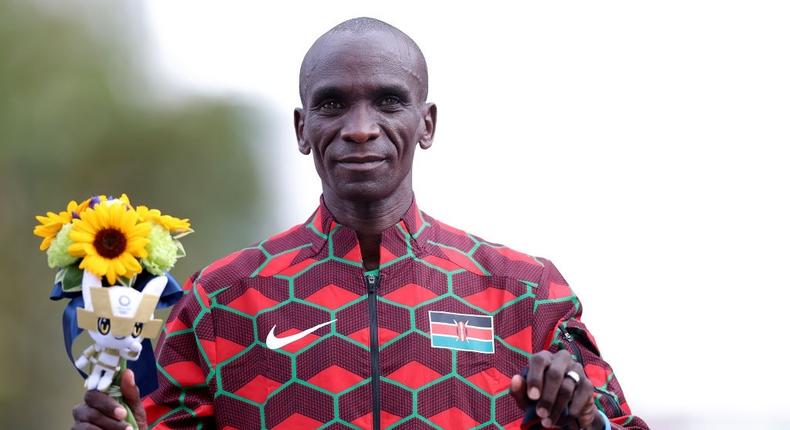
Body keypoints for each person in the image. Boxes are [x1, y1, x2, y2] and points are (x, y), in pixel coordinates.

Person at [72, 17, 649, 430]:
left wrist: (586, 422)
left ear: (427, 123)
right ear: (302, 129)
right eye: (332, 105)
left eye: (389, 102)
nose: (360, 128)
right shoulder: (222, 299)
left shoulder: (525, 293)